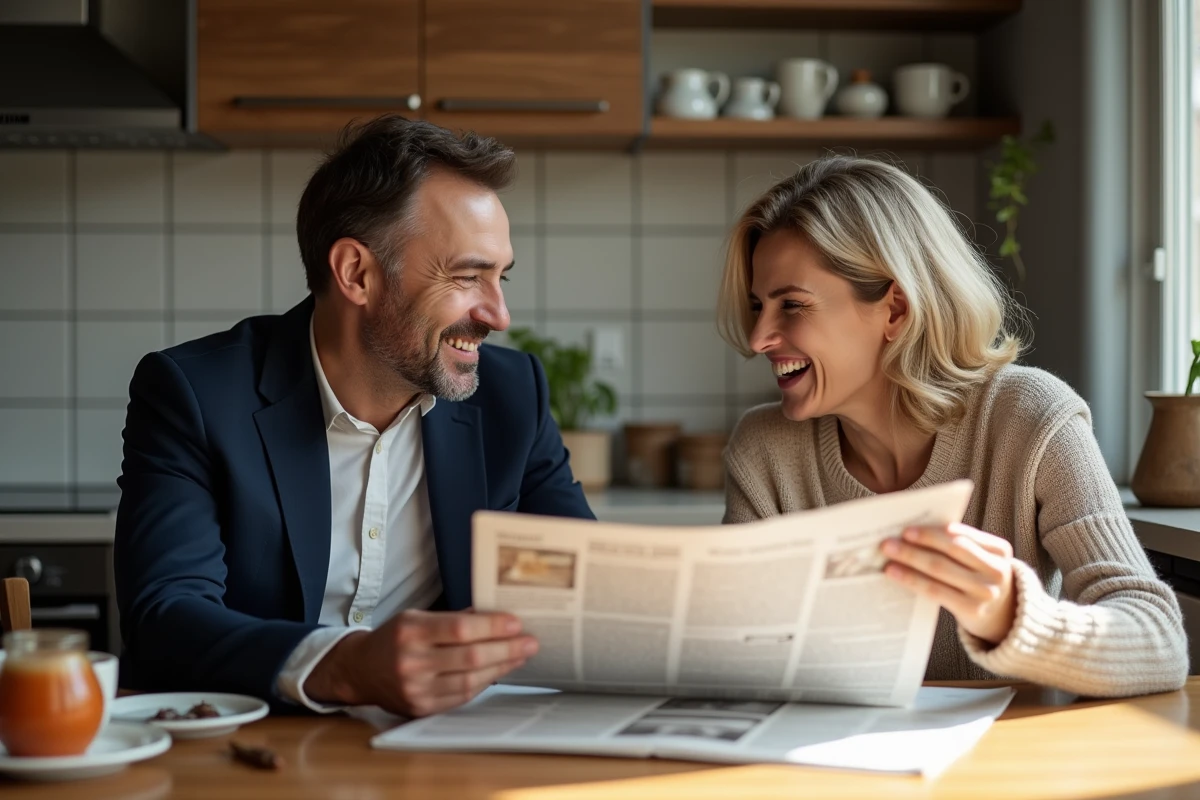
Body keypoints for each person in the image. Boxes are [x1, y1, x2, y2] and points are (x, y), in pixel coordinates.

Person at [114, 115, 595, 717]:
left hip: (443, 754)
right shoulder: (196, 394)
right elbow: (165, 619)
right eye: (468, 277)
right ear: (356, 273)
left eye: (501, 277)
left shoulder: (512, 395)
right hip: (252, 749)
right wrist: (343, 664)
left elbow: (589, 593)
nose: (498, 314)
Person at [717, 155, 1188, 697]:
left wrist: (1012, 616)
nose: (758, 338)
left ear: (894, 309)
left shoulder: (1031, 421)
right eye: (758, 306)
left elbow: (1158, 643)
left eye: (792, 305)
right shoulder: (764, 451)